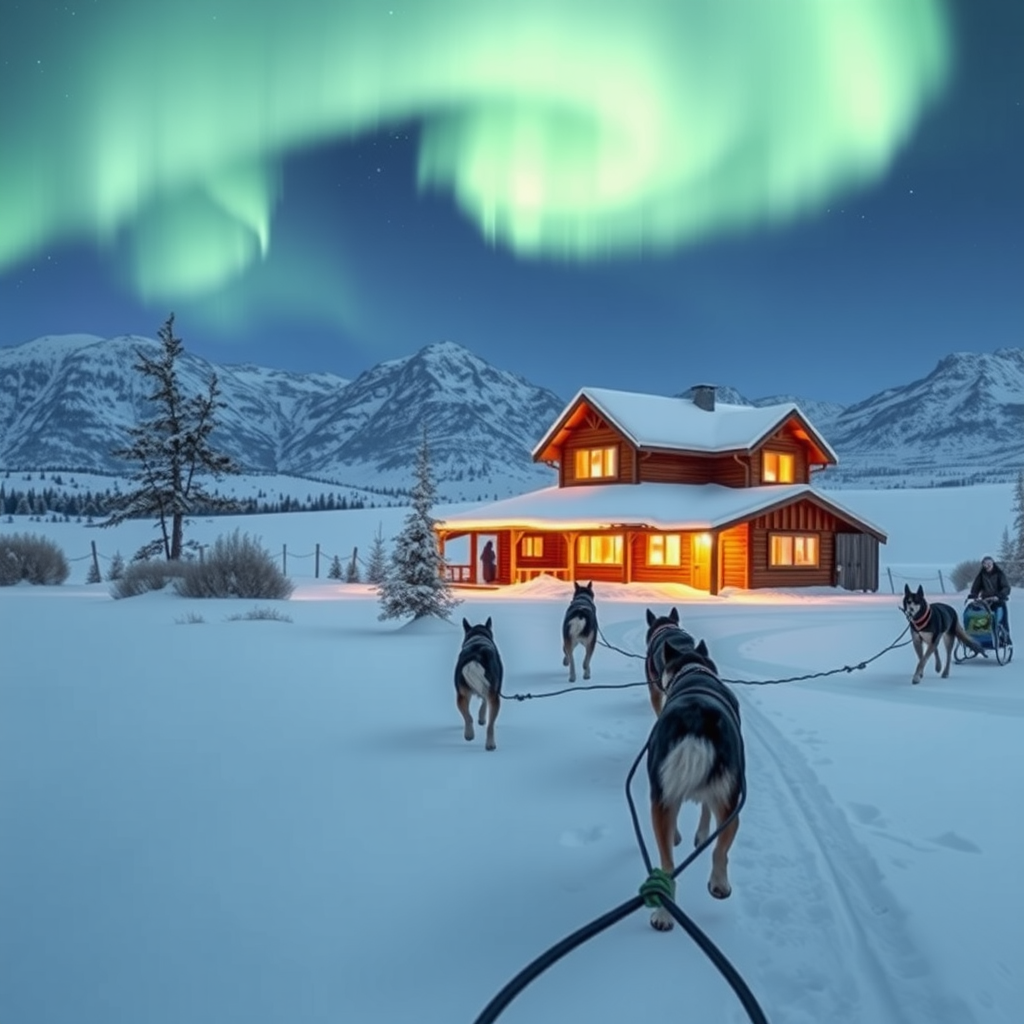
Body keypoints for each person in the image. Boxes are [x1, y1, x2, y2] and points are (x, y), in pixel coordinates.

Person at [969, 555, 1012, 644]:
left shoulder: (999, 574)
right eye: (985, 564)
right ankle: (983, 638)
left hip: (998, 601)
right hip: (986, 601)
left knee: (1001, 620)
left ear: (993, 564)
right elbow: (976, 587)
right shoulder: (981, 575)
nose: (987, 565)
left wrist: (999, 596)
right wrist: (974, 594)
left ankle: (1006, 639)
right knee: (981, 618)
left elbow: (1006, 587)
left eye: (989, 563)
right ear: (983, 565)